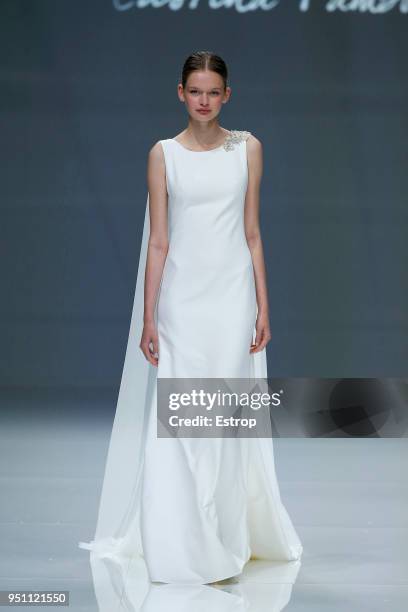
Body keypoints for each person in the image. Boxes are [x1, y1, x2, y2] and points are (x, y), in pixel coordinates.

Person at [79, 50, 303, 585]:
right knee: (179, 420)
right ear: (180, 93)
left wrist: (263, 304)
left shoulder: (247, 149)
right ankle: (181, 543)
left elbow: (252, 232)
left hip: (230, 299)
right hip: (181, 302)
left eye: (213, 92)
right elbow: (159, 241)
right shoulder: (162, 155)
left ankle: (222, 536)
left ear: (228, 95)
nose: (204, 101)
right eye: (195, 90)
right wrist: (149, 317)